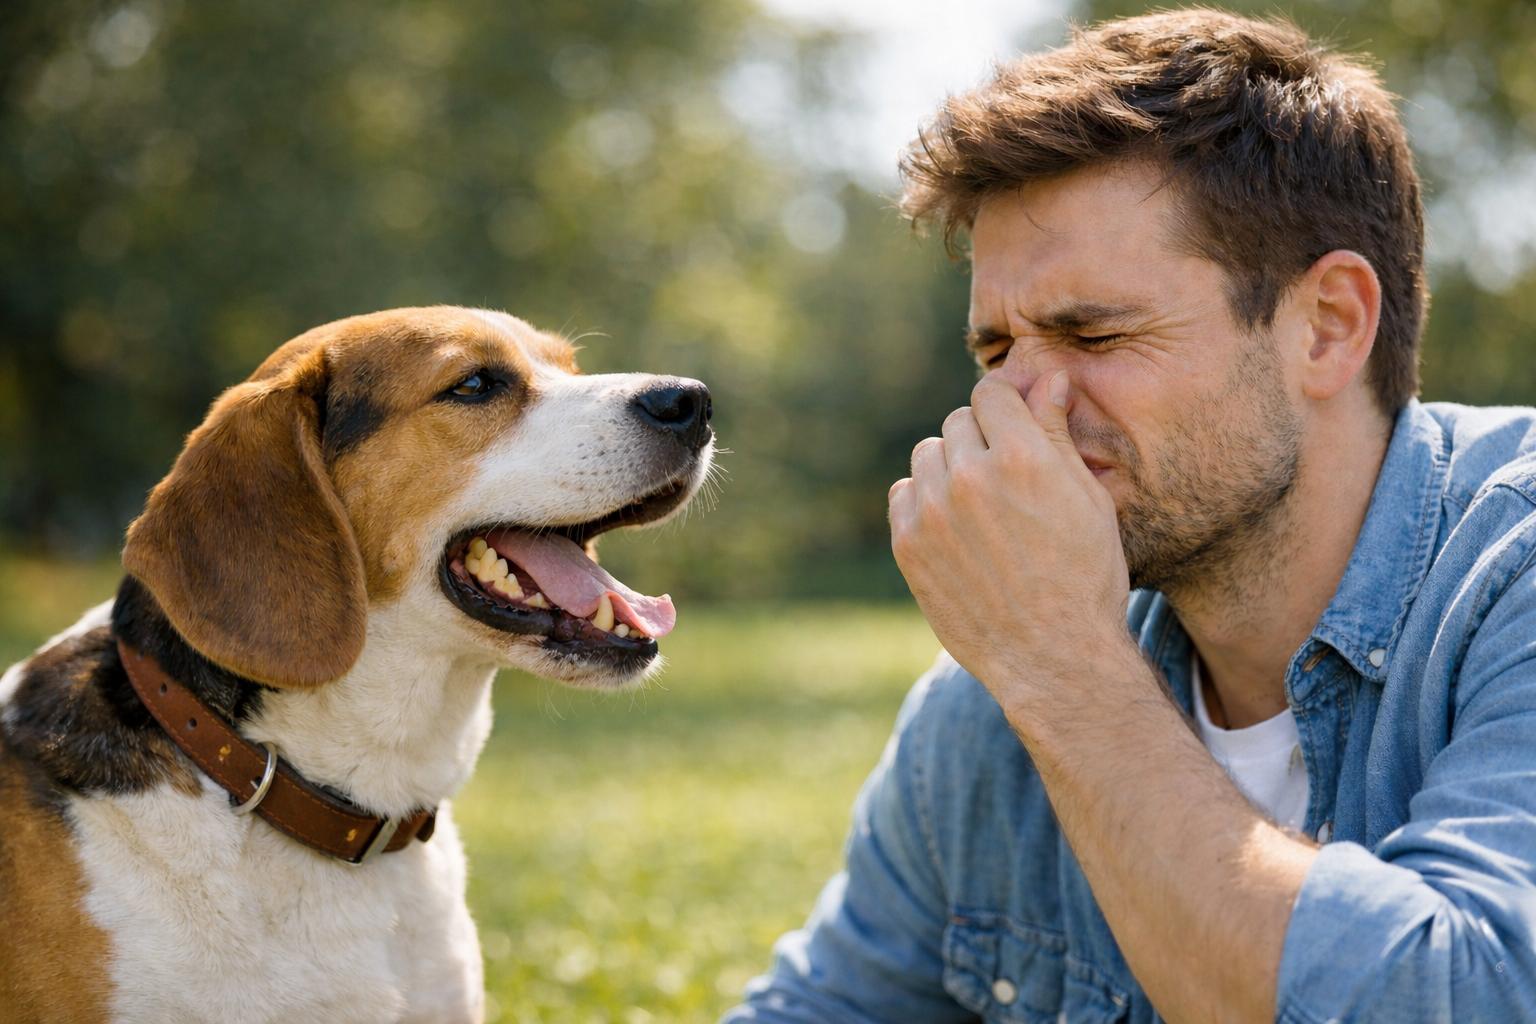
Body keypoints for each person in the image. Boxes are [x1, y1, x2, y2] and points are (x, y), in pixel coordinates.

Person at [724, 8, 1536, 1023]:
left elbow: (1482, 995)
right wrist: (1049, 665)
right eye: (995, 351)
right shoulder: (990, 707)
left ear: (1328, 327)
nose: (1015, 407)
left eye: (1092, 333)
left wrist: (1064, 668)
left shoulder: (1515, 570)